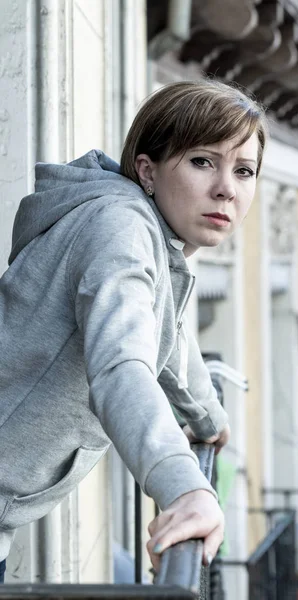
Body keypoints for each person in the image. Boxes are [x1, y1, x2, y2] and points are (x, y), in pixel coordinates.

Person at [0, 79, 268, 583]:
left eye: (244, 170)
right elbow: (122, 365)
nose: (227, 188)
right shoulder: (120, 230)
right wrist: (185, 490)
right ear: (147, 170)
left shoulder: (146, 235)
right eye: (202, 161)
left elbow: (168, 331)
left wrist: (205, 416)